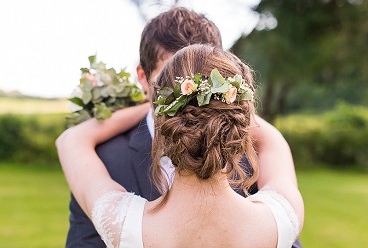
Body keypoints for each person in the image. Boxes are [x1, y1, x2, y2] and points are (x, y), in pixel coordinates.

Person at [57, 44, 303, 248]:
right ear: (240, 123)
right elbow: (272, 140)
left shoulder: (124, 223)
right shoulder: (282, 218)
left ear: (165, 124)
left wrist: (155, 105)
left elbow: (72, 140)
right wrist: (225, 103)